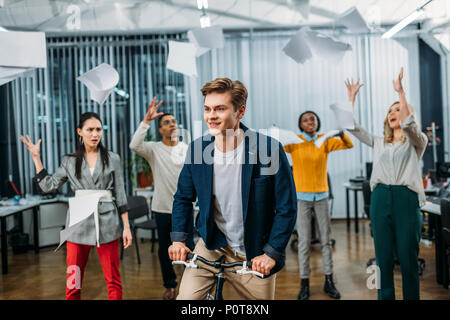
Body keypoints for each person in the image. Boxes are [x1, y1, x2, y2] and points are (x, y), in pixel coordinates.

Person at [168, 78, 297, 300]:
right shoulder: (198, 149)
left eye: (220, 109)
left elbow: (287, 208)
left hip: (253, 250)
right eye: (207, 109)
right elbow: (183, 197)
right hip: (211, 245)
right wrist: (179, 239)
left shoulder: (268, 150)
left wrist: (271, 253)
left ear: (240, 111)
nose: (211, 115)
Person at [20, 112, 132, 300]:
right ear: (80, 132)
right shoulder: (69, 161)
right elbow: (48, 185)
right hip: (78, 222)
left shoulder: (113, 158)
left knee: (113, 280)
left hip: (107, 221)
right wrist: (36, 158)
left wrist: (126, 227)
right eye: (90, 130)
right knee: (74, 280)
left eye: (98, 129)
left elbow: (120, 194)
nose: (95, 134)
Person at [346, 70, 427, 300]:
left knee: (408, 258)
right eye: (390, 111)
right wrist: (351, 99)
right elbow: (351, 127)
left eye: (398, 109)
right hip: (380, 199)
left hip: (406, 200)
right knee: (382, 261)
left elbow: (410, 125)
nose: (393, 113)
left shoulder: (417, 142)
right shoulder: (378, 142)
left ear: (408, 114)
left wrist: (400, 92)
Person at [284, 109, 354, 300]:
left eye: (313, 119)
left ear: (317, 122)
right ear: (301, 124)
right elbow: (277, 148)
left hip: (322, 197)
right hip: (302, 199)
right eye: (306, 120)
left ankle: (329, 281)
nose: (310, 122)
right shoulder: (295, 141)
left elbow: (349, 144)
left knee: (326, 241)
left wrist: (341, 133)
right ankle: (304, 283)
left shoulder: (324, 140)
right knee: (304, 242)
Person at [129, 97, 194, 300]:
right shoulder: (154, 149)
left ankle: (190, 285)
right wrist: (146, 120)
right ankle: (170, 286)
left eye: (174, 121)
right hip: (162, 209)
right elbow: (134, 144)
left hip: (184, 210)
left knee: (188, 248)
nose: (172, 124)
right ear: (160, 130)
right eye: (166, 122)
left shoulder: (186, 148)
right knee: (166, 251)